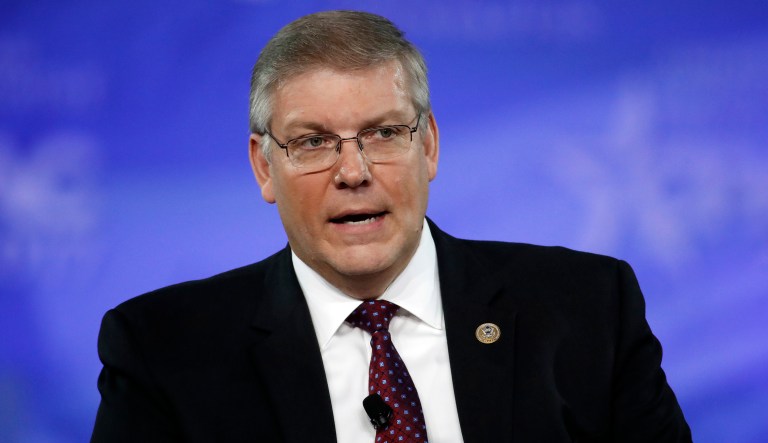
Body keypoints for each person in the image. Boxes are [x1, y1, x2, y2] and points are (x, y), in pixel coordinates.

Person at [91, 10, 692, 443]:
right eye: (313, 142)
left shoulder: (587, 307)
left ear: (428, 145)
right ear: (263, 166)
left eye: (383, 133)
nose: (353, 172)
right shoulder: (163, 350)